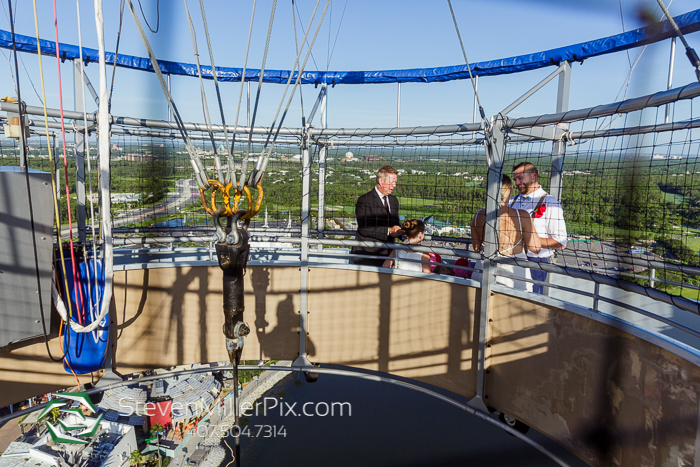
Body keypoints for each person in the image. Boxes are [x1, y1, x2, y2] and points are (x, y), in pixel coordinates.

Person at [470, 175, 541, 292]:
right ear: (509, 192)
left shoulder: (479, 215)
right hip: (514, 277)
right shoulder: (522, 216)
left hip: (483, 272)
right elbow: (535, 248)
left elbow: (477, 247)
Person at [510, 162, 568, 294]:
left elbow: (561, 242)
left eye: (520, 178)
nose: (517, 183)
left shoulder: (550, 203)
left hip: (536, 263)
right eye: (515, 180)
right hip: (511, 258)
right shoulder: (512, 201)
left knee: (529, 302)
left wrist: (531, 241)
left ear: (533, 177)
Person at [351, 166, 404, 266]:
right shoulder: (364, 200)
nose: (394, 185)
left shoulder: (393, 200)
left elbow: (395, 224)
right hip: (367, 255)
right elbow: (364, 229)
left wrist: (403, 233)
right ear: (381, 181)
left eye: (395, 182)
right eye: (391, 182)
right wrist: (389, 231)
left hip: (388, 256)